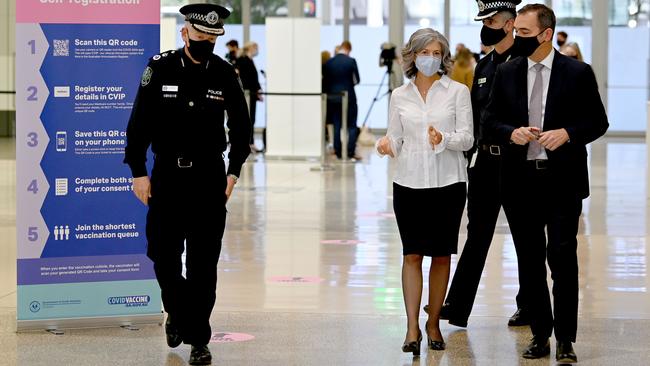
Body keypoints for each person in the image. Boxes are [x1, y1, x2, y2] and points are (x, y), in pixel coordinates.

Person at [123, 4, 251, 365]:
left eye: (213, 37)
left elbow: (241, 128)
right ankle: (176, 312)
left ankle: (199, 338)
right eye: (200, 36)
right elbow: (139, 124)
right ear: (185, 33)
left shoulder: (225, 74)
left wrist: (234, 172)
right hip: (167, 177)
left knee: (202, 264)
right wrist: (138, 171)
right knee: (162, 256)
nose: (206, 42)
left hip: (209, 179)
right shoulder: (160, 66)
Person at [483, 4, 608, 362]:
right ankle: (540, 333)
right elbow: (489, 122)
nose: (514, 37)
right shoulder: (506, 73)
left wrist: (568, 133)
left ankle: (566, 338)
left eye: (522, 32)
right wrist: (513, 132)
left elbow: (598, 122)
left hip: (563, 182)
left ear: (546, 34)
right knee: (529, 260)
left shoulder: (577, 73)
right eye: (514, 31)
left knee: (563, 258)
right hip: (520, 182)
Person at [376, 28, 473, 354]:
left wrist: (443, 139)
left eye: (436, 52)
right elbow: (396, 137)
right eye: (425, 52)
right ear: (412, 55)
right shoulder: (399, 95)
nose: (431, 58)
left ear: (443, 56)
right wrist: (387, 145)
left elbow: (468, 139)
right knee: (412, 254)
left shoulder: (457, 91)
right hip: (409, 183)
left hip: (448, 183)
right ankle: (411, 327)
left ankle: (433, 324)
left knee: (442, 255)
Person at [436, 0, 532, 330]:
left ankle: (529, 305)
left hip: (519, 162)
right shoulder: (485, 65)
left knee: (525, 237)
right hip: (486, 162)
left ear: (509, 24)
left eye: (490, 19)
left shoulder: (526, 62)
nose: (485, 25)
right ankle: (457, 305)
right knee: (476, 234)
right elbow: (477, 117)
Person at [323, 40, 361, 160]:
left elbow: (326, 80)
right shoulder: (351, 61)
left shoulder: (329, 62)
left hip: (333, 98)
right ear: (348, 49)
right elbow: (357, 80)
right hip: (349, 97)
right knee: (352, 125)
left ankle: (338, 151)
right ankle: (350, 151)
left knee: (336, 124)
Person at [236, 41, 263, 152]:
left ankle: (250, 142)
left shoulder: (250, 60)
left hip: (252, 94)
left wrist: (258, 90)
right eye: (255, 48)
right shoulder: (243, 60)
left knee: (252, 119)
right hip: (246, 94)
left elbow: (254, 78)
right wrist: (256, 90)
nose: (257, 50)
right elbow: (246, 79)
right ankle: (246, 143)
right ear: (250, 48)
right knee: (247, 119)